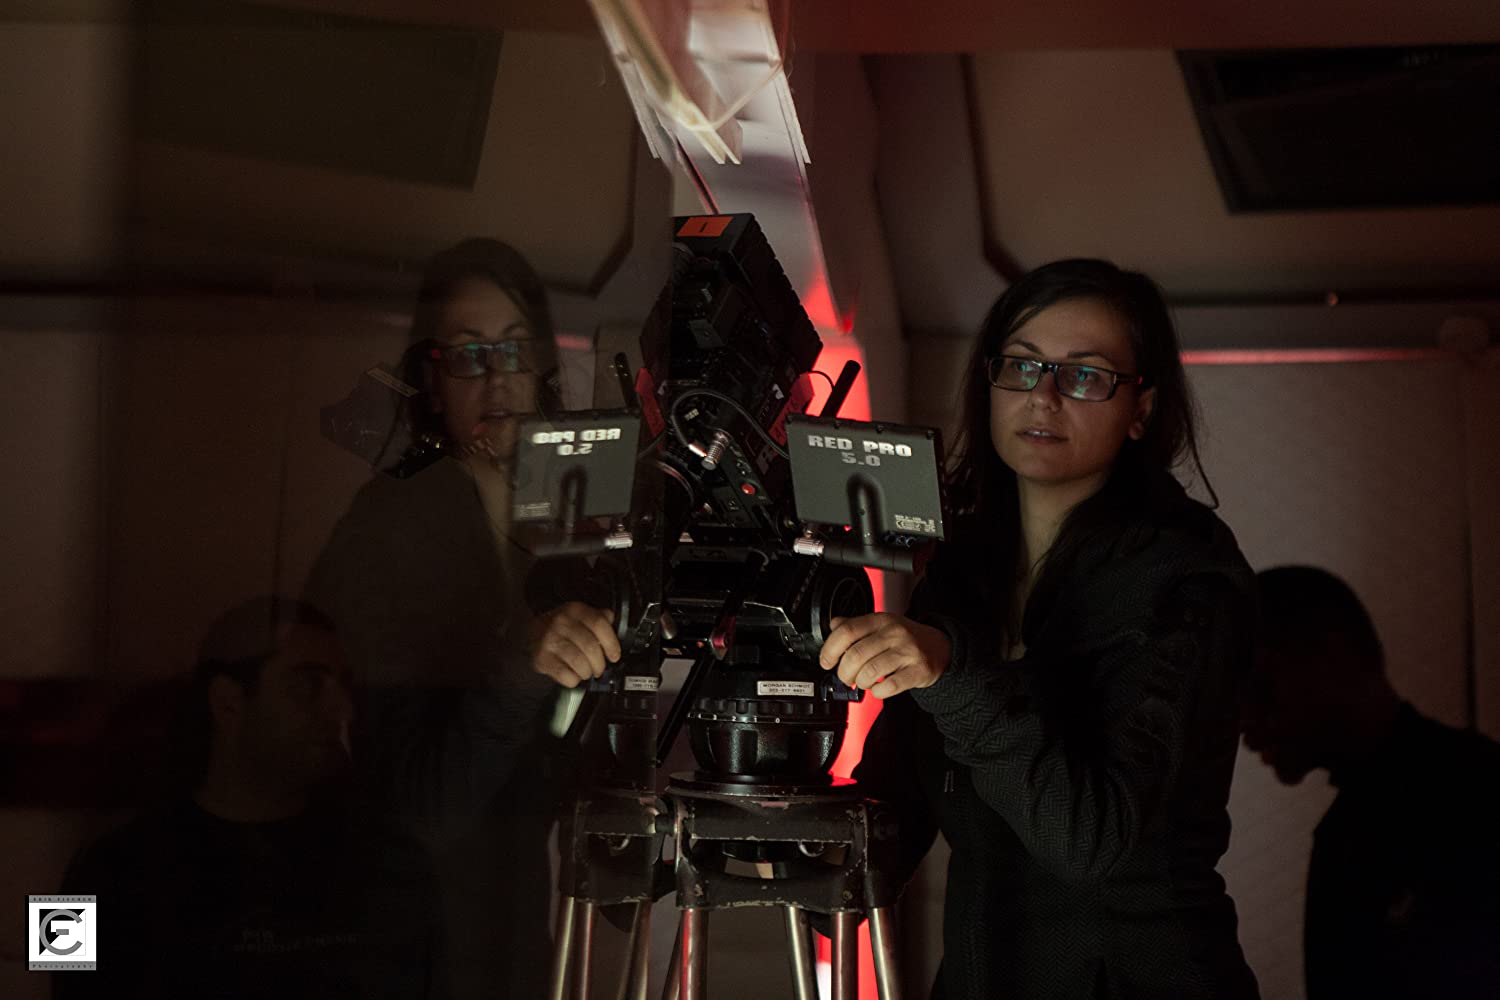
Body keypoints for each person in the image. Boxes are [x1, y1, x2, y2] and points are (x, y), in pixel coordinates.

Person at [819, 259, 1260, 998]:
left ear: (1141, 409)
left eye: (1085, 376)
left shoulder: (1189, 578)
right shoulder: (963, 572)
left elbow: (1089, 839)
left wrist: (951, 675)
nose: (1043, 397)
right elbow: (883, 829)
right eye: (1021, 366)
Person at [304, 238, 618, 1000]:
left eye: (514, 350)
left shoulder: (569, 515)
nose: (498, 378)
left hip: (518, 901)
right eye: (469, 355)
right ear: (431, 380)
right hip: (405, 929)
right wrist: (524, 663)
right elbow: (421, 805)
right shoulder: (388, 525)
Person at [58, 597, 442, 1000]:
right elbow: (52, 980)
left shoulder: (389, 863)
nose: (342, 709)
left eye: (344, 685)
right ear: (228, 701)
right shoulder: (103, 867)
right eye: (308, 684)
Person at [1245, 566, 1500, 1000]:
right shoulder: (1343, 836)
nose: (1245, 725)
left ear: (1333, 656)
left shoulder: (1478, 795)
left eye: (1259, 688)